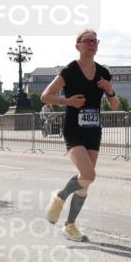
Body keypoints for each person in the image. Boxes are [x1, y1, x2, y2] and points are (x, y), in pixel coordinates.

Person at [41, 29, 119, 242]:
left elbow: (115, 105)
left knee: (85, 182)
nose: (92, 44)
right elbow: (45, 96)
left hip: (93, 130)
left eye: (95, 41)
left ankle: (70, 225)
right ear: (78, 46)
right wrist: (67, 102)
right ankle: (61, 196)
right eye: (87, 41)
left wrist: (110, 91)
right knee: (88, 174)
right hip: (73, 129)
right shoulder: (70, 71)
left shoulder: (103, 73)